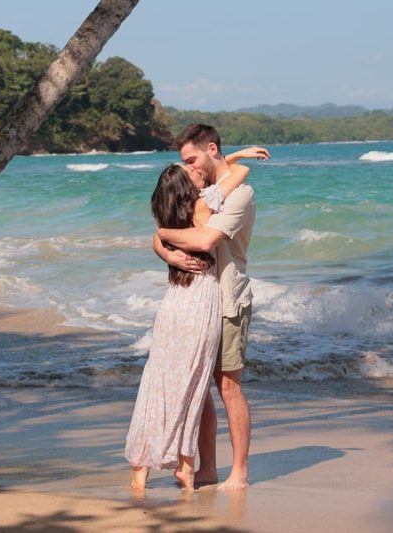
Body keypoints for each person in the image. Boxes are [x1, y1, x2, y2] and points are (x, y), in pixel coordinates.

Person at [125, 160, 251, 491]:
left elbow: (161, 233)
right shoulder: (202, 205)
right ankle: (185, 466)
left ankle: (141, 466)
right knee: (192, 384)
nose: (197, 171)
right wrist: (240, 157)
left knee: (159, 382)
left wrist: (163, 241)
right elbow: (238, 174)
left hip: (172, 303)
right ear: (187, 188)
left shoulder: (163, 216)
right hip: (200, 303)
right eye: (190, 170)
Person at [155, 124, 268, 491]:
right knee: (199, 386)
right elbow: (166, 227)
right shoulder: (205, 190)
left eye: (191, 160)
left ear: (212, 149)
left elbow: (205, 239)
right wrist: (163, 246)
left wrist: (165, 236)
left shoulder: (241, 195)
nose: (188, 168)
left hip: (228, 301)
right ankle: (206, 469)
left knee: (228, 387)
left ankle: (240, 472)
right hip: (197, 302)